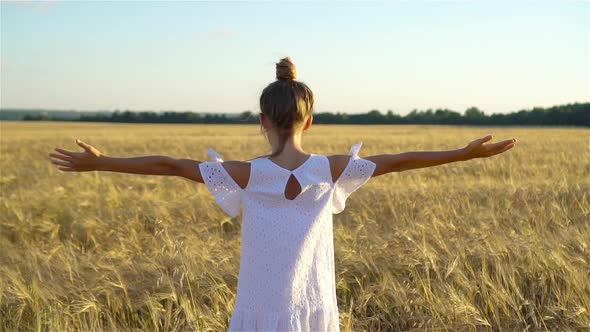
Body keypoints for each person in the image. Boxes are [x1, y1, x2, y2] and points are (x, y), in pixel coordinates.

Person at [48, 57, 516, 331]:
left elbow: (169, 165)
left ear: (262, 120)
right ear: (310, 120)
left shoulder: (245, 175)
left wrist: (100, 162)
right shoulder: (329, 171)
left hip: (258, 310)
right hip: (314, 310)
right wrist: (463, 154)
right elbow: (400, 160)